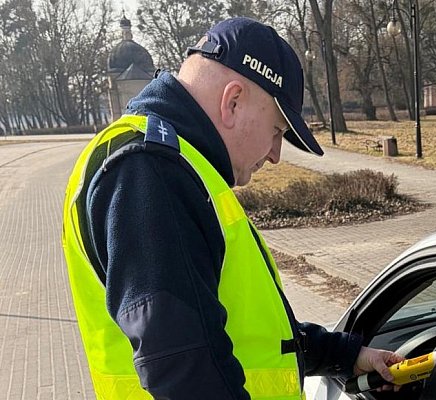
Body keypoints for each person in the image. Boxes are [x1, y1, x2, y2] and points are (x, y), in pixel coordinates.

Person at [62, 17, 403, 399]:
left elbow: (246, 333)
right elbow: (186, 371)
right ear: (233, 101)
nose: (275, 155)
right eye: (277, 130)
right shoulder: (149, 172)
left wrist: (345, 354)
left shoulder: (175, 168)